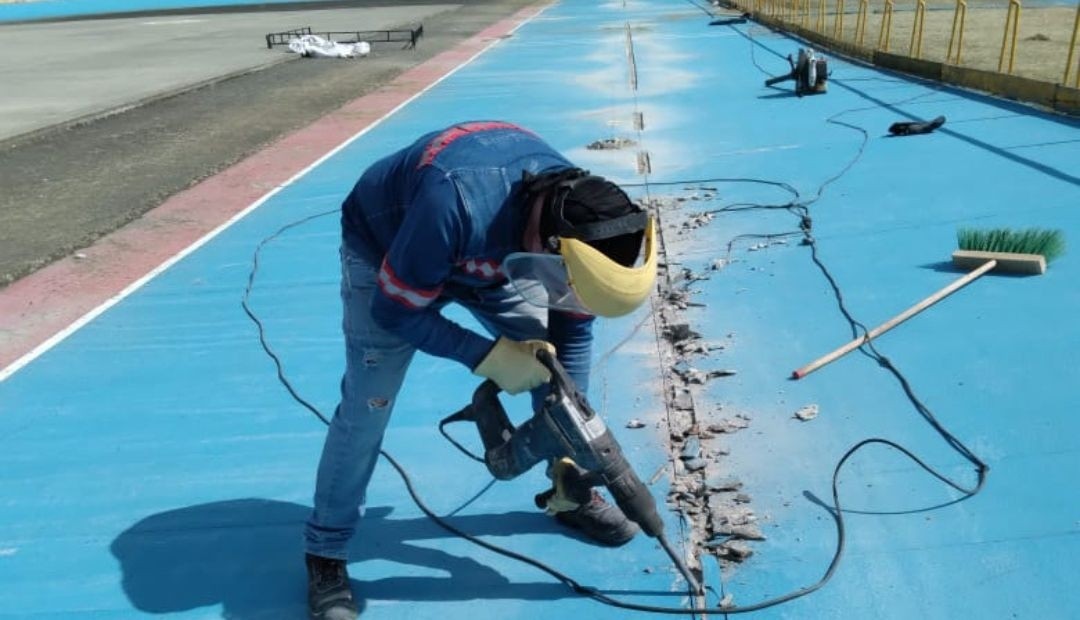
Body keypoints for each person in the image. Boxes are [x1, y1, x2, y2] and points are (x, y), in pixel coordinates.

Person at [303, 121, 657, 620]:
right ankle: (326, 550)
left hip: (489, 256)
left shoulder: (590, 228)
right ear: (548, 245)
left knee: (548, 367)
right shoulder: (456, 201)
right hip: (388, 246)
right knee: (369, 404)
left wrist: (570, 450)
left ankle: (570, 496)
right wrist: (485, 357)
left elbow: (571, 336)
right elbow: (395, 311)